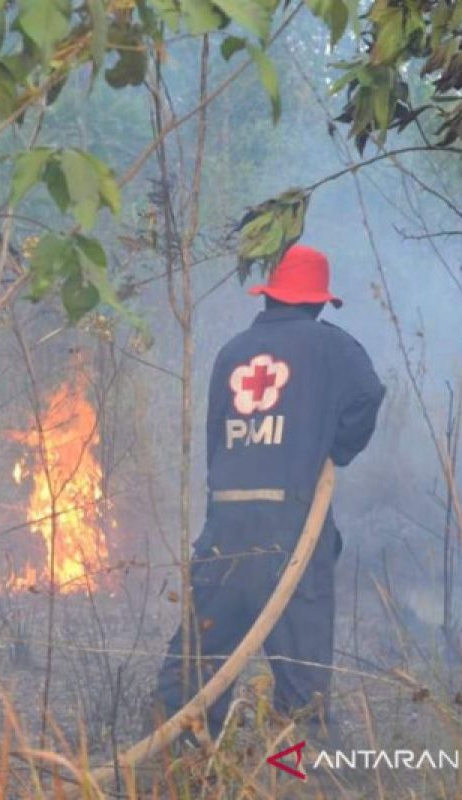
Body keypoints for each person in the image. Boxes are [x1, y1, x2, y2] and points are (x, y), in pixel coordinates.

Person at [154, 243, 385, 742]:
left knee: (201, 657)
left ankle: (177, 764)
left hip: (227, 524)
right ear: (318, 301)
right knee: (302, 674)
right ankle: (300, 775)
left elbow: (217, 437)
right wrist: (337, 447)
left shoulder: (232, 351)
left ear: (269, 297)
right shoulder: (332, 346)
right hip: (292, 523)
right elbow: (369, 393)